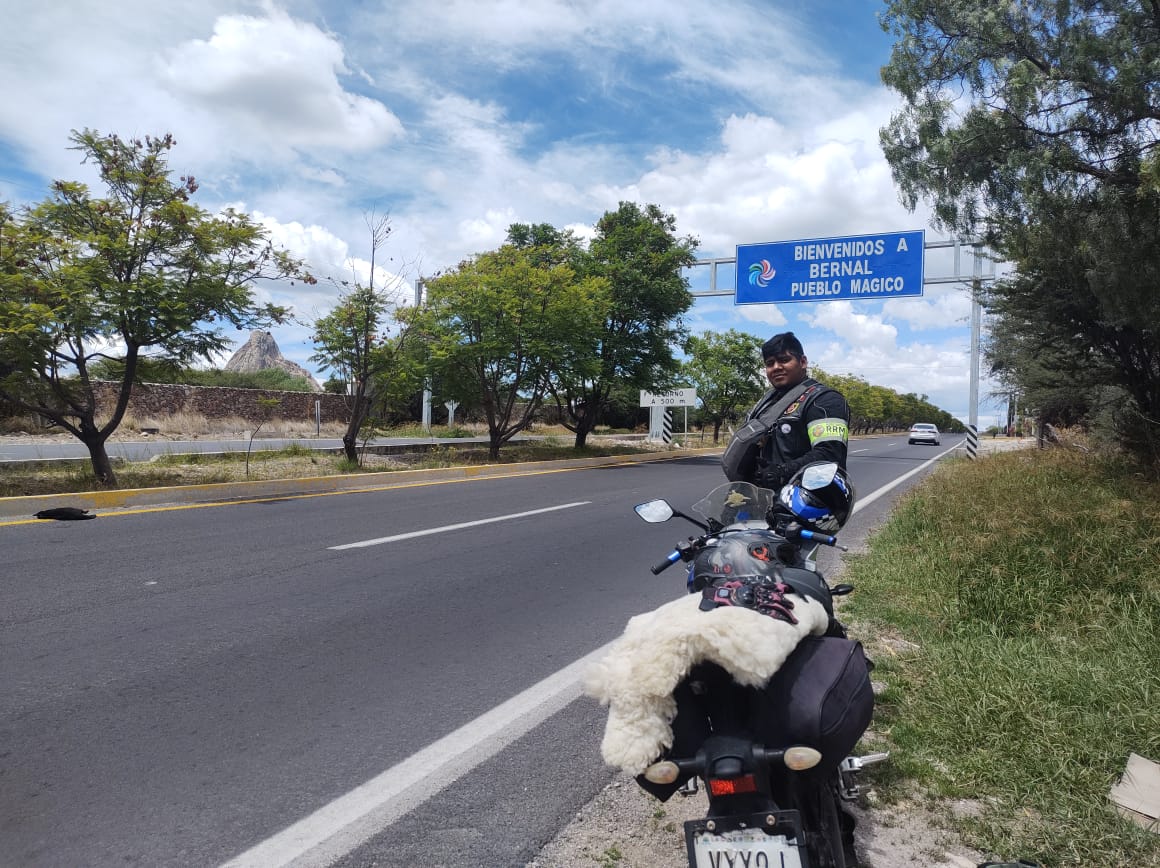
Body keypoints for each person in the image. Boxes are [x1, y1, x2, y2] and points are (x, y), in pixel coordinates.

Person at [723, 331, 851, 489]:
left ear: (802, 362)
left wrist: (782, 471)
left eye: (784, 360)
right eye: (770, 363)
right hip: (760, 498)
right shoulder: (765, 403)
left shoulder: (824, 400)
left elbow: (829, 454)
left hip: (804, 502)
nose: (776, 367)